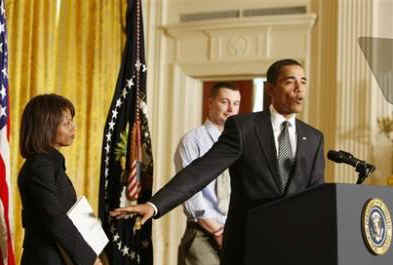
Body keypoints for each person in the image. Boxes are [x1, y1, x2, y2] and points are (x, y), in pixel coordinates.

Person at [111, 59, 325, 265]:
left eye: (303, 81)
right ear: (270, 89)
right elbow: (201, 171)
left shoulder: (314, 138)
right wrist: (155, 204)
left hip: (293, 250)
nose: (299, 88)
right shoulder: (244, 128)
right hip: (248, 247)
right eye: (290, 81)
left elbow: (316, 196)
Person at [18, 94, 102, 265]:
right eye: (66, 123)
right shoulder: (40, 166)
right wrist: (91, 259)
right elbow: (55, 219)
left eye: (72, 121)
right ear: (45, 127)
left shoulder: (51, 164)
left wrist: (101, 244)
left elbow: (70, 210)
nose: (73, 128)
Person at [175, 82, 241, 265]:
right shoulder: (192, 141)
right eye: (224, 102)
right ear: (210, 103)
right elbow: (188, 191)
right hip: (202, 235)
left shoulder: (239, 143)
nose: (230, 109)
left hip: (234, 233)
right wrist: (218, 232)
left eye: (236, 104)